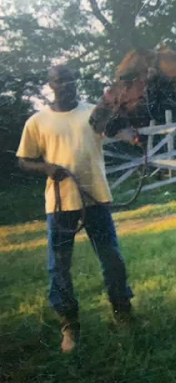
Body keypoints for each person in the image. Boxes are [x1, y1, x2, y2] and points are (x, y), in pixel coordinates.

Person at [16, 65, 134, 353]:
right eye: (60, 81)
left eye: (70, 79)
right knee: (59, 266)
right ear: (51, 84)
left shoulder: (93, 113)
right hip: (60, 205)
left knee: (112, 260)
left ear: (75, 81)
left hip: (95, 199)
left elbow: (119, 129)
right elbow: (23, 160)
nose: (66, 85)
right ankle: (69, 325)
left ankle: (123, 313)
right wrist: (46, 167)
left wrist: (132, 133)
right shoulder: (37, 122)